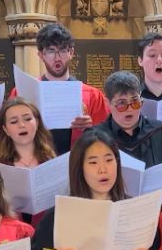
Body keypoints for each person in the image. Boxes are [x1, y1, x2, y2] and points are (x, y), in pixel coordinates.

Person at [7, 23, 110, 154]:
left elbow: (106, 137)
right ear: (40, 55)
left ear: (71, 52)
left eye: (62, 50)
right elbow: (7, 134)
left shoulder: (92, 95)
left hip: (76, 164)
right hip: (35, 160)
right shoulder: (22, 92)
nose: (57, 57)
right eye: (50, 51)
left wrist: (91, 128)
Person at [95, 71, 162, 185]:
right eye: (122, 103)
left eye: (135, 101)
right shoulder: (94, 138)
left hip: (160, 200)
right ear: (108, 103)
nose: (129, 109)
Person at [0, 98, 59, 168]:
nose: (21, 125)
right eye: (14, 121)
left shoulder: (50, 158)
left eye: (27, 119)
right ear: (5, 130)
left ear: (37, 123)